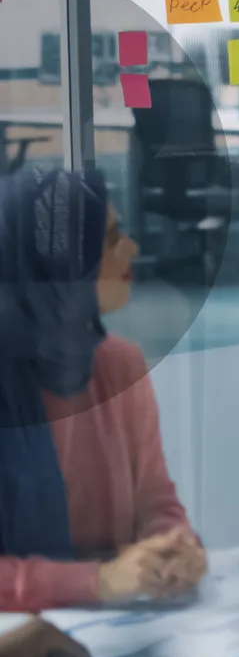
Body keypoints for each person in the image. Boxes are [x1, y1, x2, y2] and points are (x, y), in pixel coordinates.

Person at [0, 168, 205, 611]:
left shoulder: (118, 364)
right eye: (110, 239)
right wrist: (97, 582)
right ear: (55, 267)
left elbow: (156, 500)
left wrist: (174, 548)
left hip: (117, 618)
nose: (131, 249)